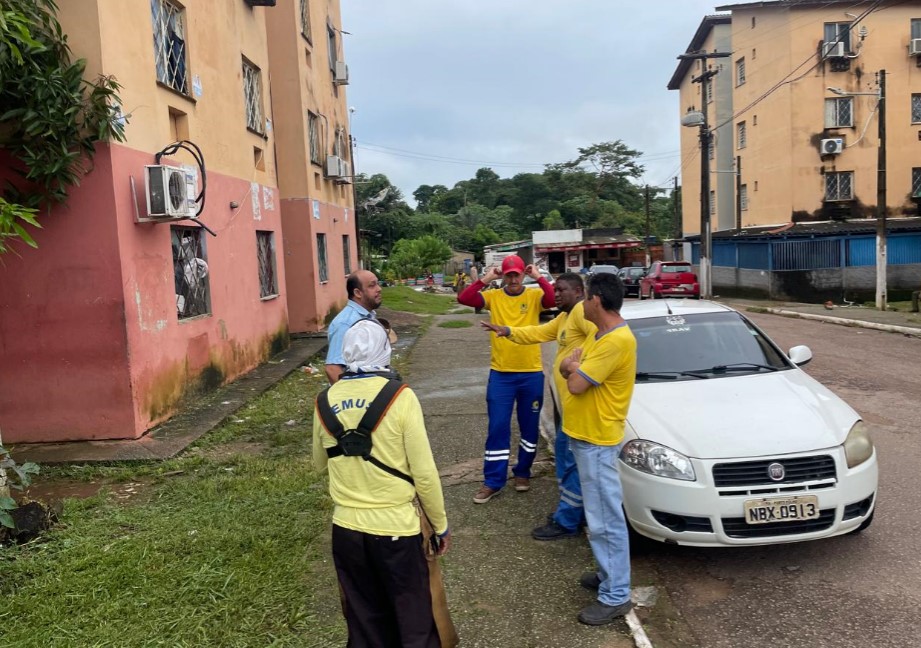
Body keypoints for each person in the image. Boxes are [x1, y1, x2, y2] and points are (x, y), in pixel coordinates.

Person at [313, 319, 451, 648]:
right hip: (397, 531)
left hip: (346, 529)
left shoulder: (323, 401)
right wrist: (440, 525)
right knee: (413, 618)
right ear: (384, 351)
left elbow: (319, 463)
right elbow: (425, 473)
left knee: (363, 619)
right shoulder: (401, 397)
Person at [479, 273, 595, 539]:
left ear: (578, 291)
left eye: (561, 290)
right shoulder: (564, 317)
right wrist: (508, 330)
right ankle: (569, 516)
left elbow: (601, 339)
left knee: (572, 464)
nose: (555, 294)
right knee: (566, 463)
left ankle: (567, 520)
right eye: (555, 289)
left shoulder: (580, 313)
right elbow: (539, 332)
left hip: (578, 405)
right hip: (568, 405)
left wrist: (581, 367)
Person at [557, 272, 637, 625]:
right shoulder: (598, 335)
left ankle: (616, 594)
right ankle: (609, 576)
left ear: (597, 301)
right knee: (598, 516)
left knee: (606, 520)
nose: (582, 303)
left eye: (585, 297)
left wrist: (574, 368)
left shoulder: (615, 341)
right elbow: (565, 365)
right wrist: (573, 367)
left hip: (598, 441)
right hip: (585, 436)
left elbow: (574, 383)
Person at [457, 254, 555, 504]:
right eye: (509, 274)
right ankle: (493, 481)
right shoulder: (494, 297)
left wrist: (539, 278)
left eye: (517, 274)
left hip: (531, 373)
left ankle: (523, 472)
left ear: (523, 274)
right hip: (501, 374)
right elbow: (464, 298)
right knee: (498, 428)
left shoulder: (533, 296)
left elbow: (552, 299)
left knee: (529, 427)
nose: (512, 279)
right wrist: (487, 279)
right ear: (504, 274)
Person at [325, 270, 383, 384]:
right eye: (372, 285)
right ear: (358, 293)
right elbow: (333, 368)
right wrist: (354, 396)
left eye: (377, 283)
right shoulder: (346, 323)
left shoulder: (367, 316)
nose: (379, 288)